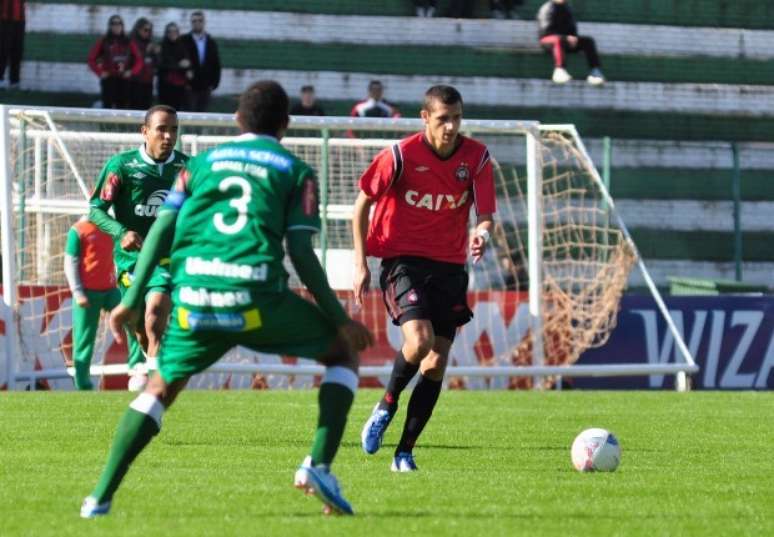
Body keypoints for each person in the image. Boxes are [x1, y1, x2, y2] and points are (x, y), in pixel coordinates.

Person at [80, 80, 373, 519]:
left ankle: (98, 499)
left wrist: (131, 298)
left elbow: (160, 230)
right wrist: (339, 315)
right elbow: (300, 252)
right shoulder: (294, 171)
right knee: (343, 354)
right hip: (257, 299)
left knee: (159, 387)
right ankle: (319, 466)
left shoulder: (197, 166)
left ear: (238, 119)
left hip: (195, 298)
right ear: (286, 124)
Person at [353, 85, 495, 471]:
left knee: (435, 365)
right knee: (419, 341)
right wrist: (361, 262)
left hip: (450, 268)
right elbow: (362, 204)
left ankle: (404, 452)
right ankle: (386, 405)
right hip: (403, 262)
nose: (450, 127)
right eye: (442, 119)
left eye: (456, 119)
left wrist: (481, 233)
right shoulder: (400, 155)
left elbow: (484, 214)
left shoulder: (477, 158)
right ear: (425, 118)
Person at [88, 105, 188, 391]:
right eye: (161, 129)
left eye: (174, 130)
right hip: (131, 260)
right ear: (144, 132)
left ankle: (154, 390)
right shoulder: (122, 166)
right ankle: (148, 361)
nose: (168, 136)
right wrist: (121, 232)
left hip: (168, 258)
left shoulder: (186, 168)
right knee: (142, 329)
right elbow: (96, 209)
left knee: (156, 312)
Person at [64, 216, 121, 390]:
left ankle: (139, 370)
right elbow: (70, 262)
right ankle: (83, 384)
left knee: (135, 315)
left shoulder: (112, 228)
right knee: (84, 339)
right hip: (87, 293)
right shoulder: (78, 230)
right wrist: (78, 292)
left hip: (111, 290)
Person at [537, 0, 605, 85]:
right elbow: (546, 31)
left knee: (588, 41)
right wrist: (565, 37)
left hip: (564, 41)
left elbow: (572, 28)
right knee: (558, 40)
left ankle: (595, 72)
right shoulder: (547, 8)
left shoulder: (567, 8)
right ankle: (559, 70)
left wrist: (573, 38)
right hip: (548, 41)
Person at [87, 15, 143, 109]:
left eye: (119, 23)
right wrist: (100, 72)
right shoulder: (103, 41)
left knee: (123, 108)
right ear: (109, 26)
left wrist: (131, 72)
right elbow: (91, 59)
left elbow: (139, 60)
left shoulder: (128, 41)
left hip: (124, 79)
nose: (116, 26)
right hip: (109, 79)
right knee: (107, 107)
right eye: (113, 23)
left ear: (122, 26)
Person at [182, 11, 221, 112]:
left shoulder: (211, 42)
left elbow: (216, 64)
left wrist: (214, 83)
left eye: (200, 20)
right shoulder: (184, 40)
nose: (197, 23)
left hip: (206, 86)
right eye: (194, 21)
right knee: (189, 115)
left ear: (204, 22)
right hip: (189, 86)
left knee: (202, 114)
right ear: (191, 23)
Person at [157, 22, 192, 111]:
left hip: (180, 86)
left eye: (175, 31)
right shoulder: (162, 46)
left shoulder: (182, 46)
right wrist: (179, 65)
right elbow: (162, 65)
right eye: (170, 31)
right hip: (165, 86)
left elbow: (187, 63)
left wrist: (187, 67)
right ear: (166, 33)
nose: (173, 34)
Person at [128, 18, 158, 110]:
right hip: (135, 82)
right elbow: (132, 61)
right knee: (135, 108)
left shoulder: (150, 43)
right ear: (138, 29)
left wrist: (156, 53)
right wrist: (146, 51)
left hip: (148, 82)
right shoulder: (132, 42)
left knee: (146, 109)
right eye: (145, 30)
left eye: (149, 30)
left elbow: (155, 63)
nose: (148, 33)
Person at [0, 0, 25, 89]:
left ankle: (14, 81)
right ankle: (1, 79)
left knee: (17, 51)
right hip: (5, 20)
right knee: (3, 50)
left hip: (20, 20)